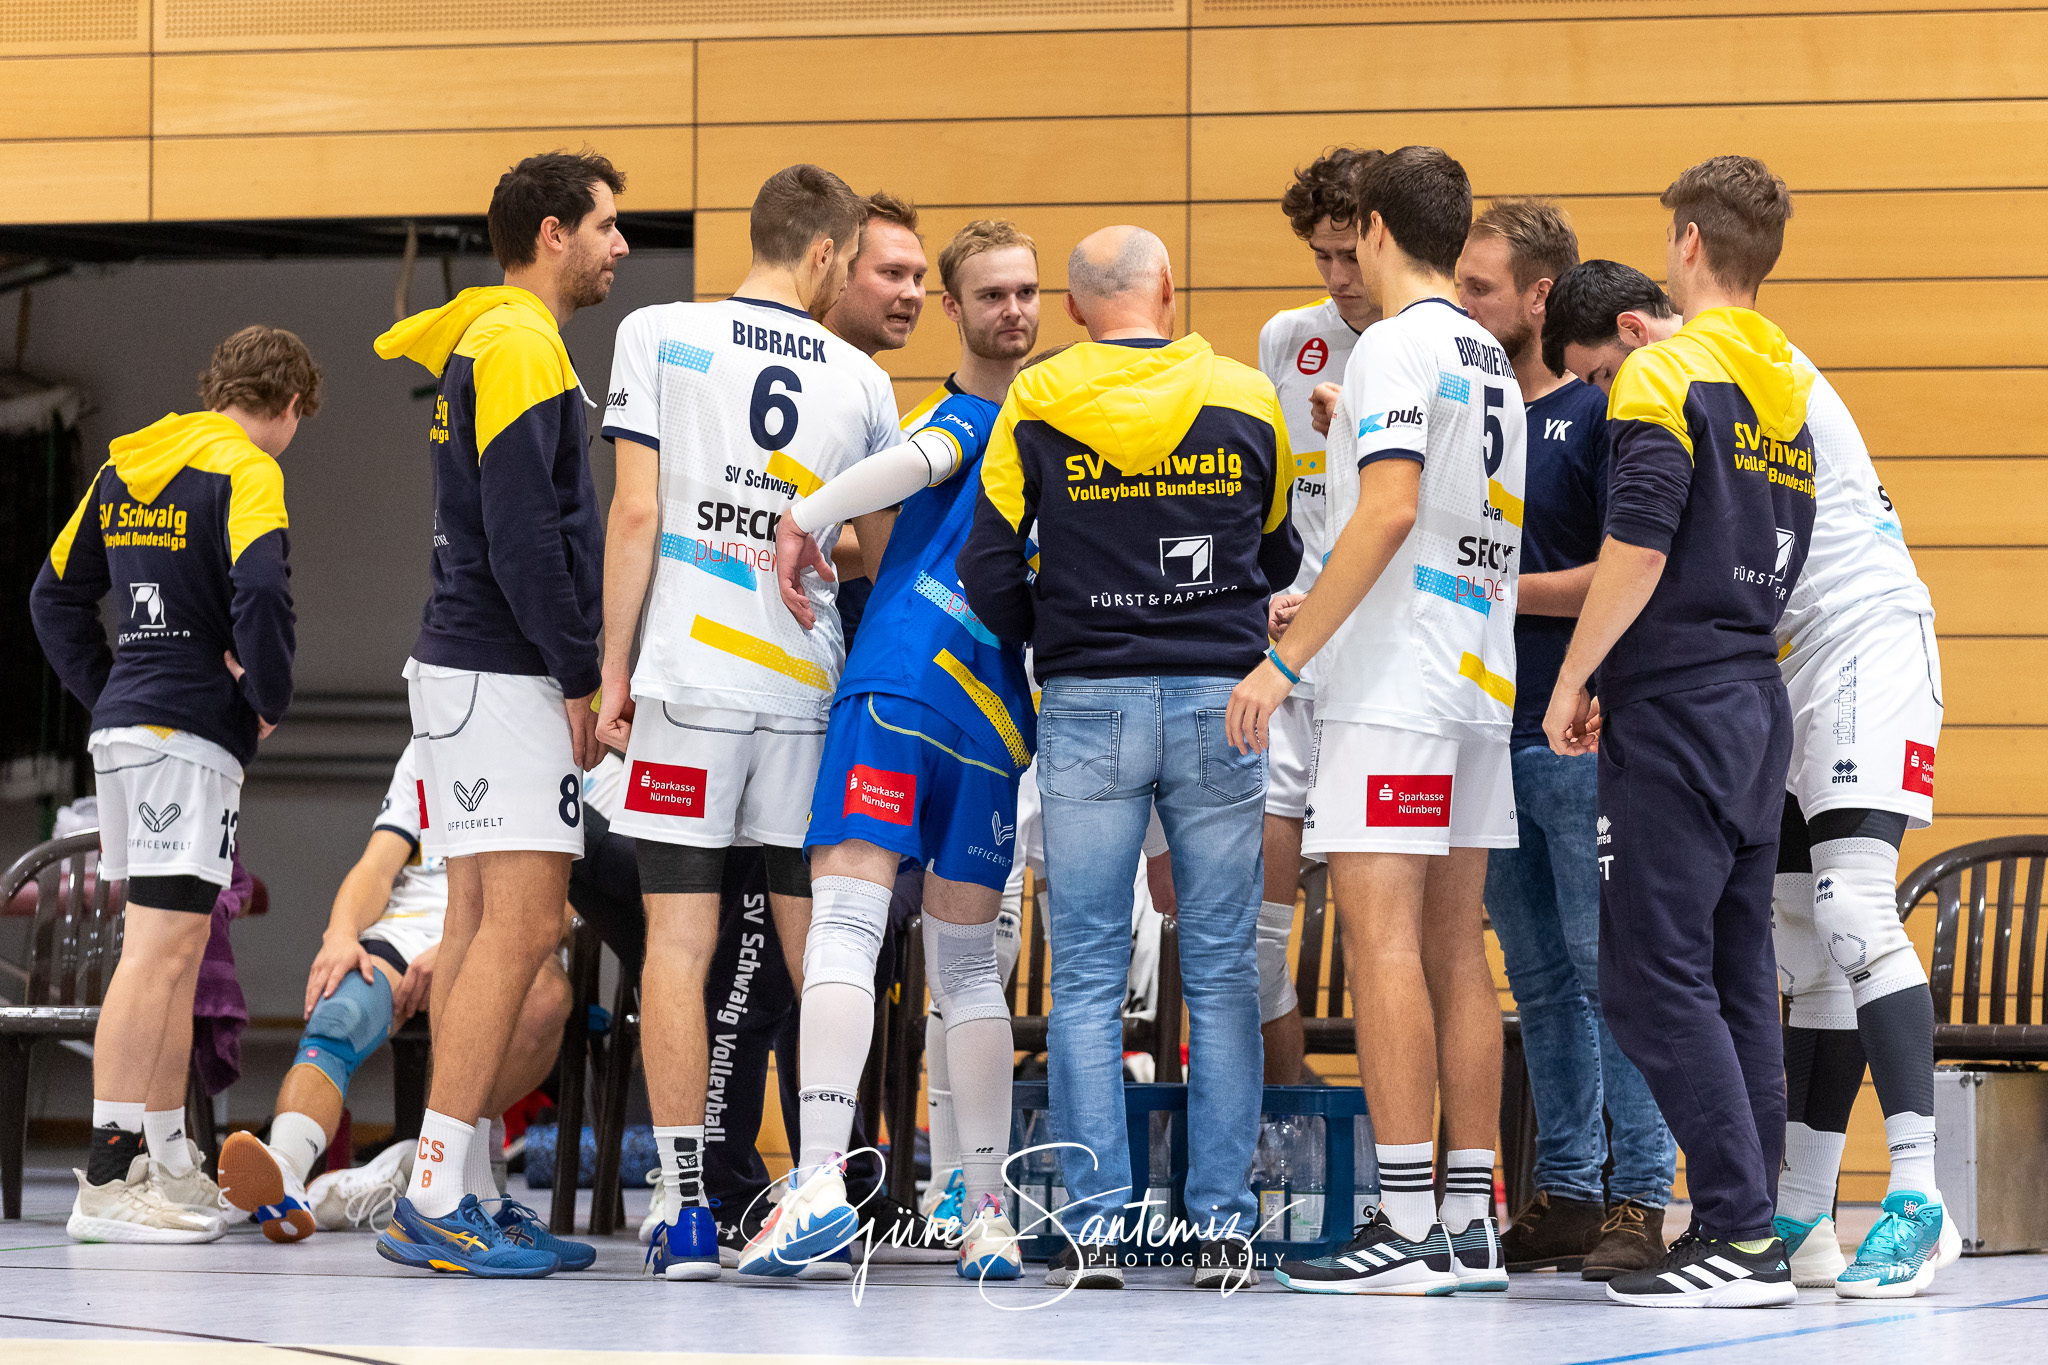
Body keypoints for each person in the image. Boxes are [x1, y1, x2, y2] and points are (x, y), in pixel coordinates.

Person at [1545, 258, 1961, 1298]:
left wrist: (1574, 664)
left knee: (1850, 907)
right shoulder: (1730, 364)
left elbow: (1640, 545)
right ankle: (1793, 1215)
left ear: (1640, 326)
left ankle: (1916, 1192)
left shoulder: (1719, 363)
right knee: (1787, 951)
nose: (1598, 405)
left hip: (1859, 641)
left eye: (1597, 377)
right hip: (1764, 670)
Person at [961, 224, 1300, 1292]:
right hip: (1222, 705)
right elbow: (1279, 548)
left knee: (1087, 980)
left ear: (1069, 311)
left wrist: (1050, 647)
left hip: (1085, 703)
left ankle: (1098, 1227)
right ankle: (1222, 1227)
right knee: (1222, 975)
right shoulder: (1248, 396)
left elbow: (986, 565)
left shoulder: (1037, 400)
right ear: (1166, 287)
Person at [596, 163, 901, 1283]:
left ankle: (683, 1218)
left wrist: (611, 670)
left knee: (678, 945)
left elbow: (635, 509)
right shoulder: (864, 379)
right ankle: (816, 1191)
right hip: (803, 691)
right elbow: (865, 552)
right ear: (827, 256)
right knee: (817, 943)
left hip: (686, 685)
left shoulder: (659, 332)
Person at [1229, 146, 1521, 1297]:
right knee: (1457, 953)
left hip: (1393, 689)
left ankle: (1400, 1223)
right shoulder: (1484, 351)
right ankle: (1464, 1220)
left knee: (1384, 943)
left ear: (1383, 228)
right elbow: (1434, 515)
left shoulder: (1398, 341)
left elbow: (1391, 510)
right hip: (1474, 679)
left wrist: (1283, 657)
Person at [1537, 156, 1817, 1309]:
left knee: (1649, 977)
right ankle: (1749, 1230)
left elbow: (1638, 550)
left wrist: (1576, 676)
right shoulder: (1788, 385)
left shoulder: (1662, 376)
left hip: (1679, 706)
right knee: (1734, 977)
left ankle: (1738, 1235)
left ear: (1690, 242)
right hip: (1754, 702)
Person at [744, 218, 1044, 1284]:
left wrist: (805, 516)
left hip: (903, 690)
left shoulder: (971, 415)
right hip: (1001, 723)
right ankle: (987, 1217)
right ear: (961, 311)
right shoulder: (1064, 432)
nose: (1013, 309)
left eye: (1025, 292)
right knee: (966, 970)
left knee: (844, 929)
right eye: (994, 293)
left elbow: (921, 459)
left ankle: (819, 1181)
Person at [371, 149, 626, 1278]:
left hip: (472, 667)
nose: (622, 247)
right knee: (520, 928)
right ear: (555, 233)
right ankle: (433, 1196)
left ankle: (461, 1184)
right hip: (504, 668)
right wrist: (582, 676)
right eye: (610, 227)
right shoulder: (521, 342)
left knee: (480, 927)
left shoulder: (494, 337)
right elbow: (528, 538)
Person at [32, 325, 313, 1245]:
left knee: (181, 947)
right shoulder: (246, 468)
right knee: (154, 951)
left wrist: (110, 686)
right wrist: (266, 698)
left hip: (134, 728)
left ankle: (164, 1156)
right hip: (185, 736)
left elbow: (52, 596)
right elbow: (263, 593)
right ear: (290, 406)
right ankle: (109, 1179)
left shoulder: (129, 466)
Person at [1453, 201, 1675, 1281]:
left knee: (1610, 974)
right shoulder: (1465, 411)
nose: (1463, 304)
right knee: (1536, 980)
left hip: (1576, 734)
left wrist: (1490, 594)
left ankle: (1642, 1193)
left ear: (1540, 296)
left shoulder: (1597, 410)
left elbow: (1625, 571)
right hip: (1482, 734)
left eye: (1482, 287)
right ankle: (1568, 1192)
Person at [213, 742, 574, 1253]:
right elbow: (376, 868)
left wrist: (451, 950)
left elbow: (566, 902)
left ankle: (428, 1164)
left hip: (503, 933)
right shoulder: (428, 747)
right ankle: (287, 1171)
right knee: (342, 1011)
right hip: (408, 930)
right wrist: (339, 934)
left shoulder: (566, 745)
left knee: (542, 1001)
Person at [1252, 146, 1383, 1084]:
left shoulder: (1438, 339)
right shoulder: (1285, 340)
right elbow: (1268, 496)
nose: (1338, 279)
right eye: (1321, 257)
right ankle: (1289, 1106)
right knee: (1257, 910)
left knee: (1391, 928)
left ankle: (1410, 1161)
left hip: (1388, 659)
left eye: (1351, 255)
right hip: (1290, 651)